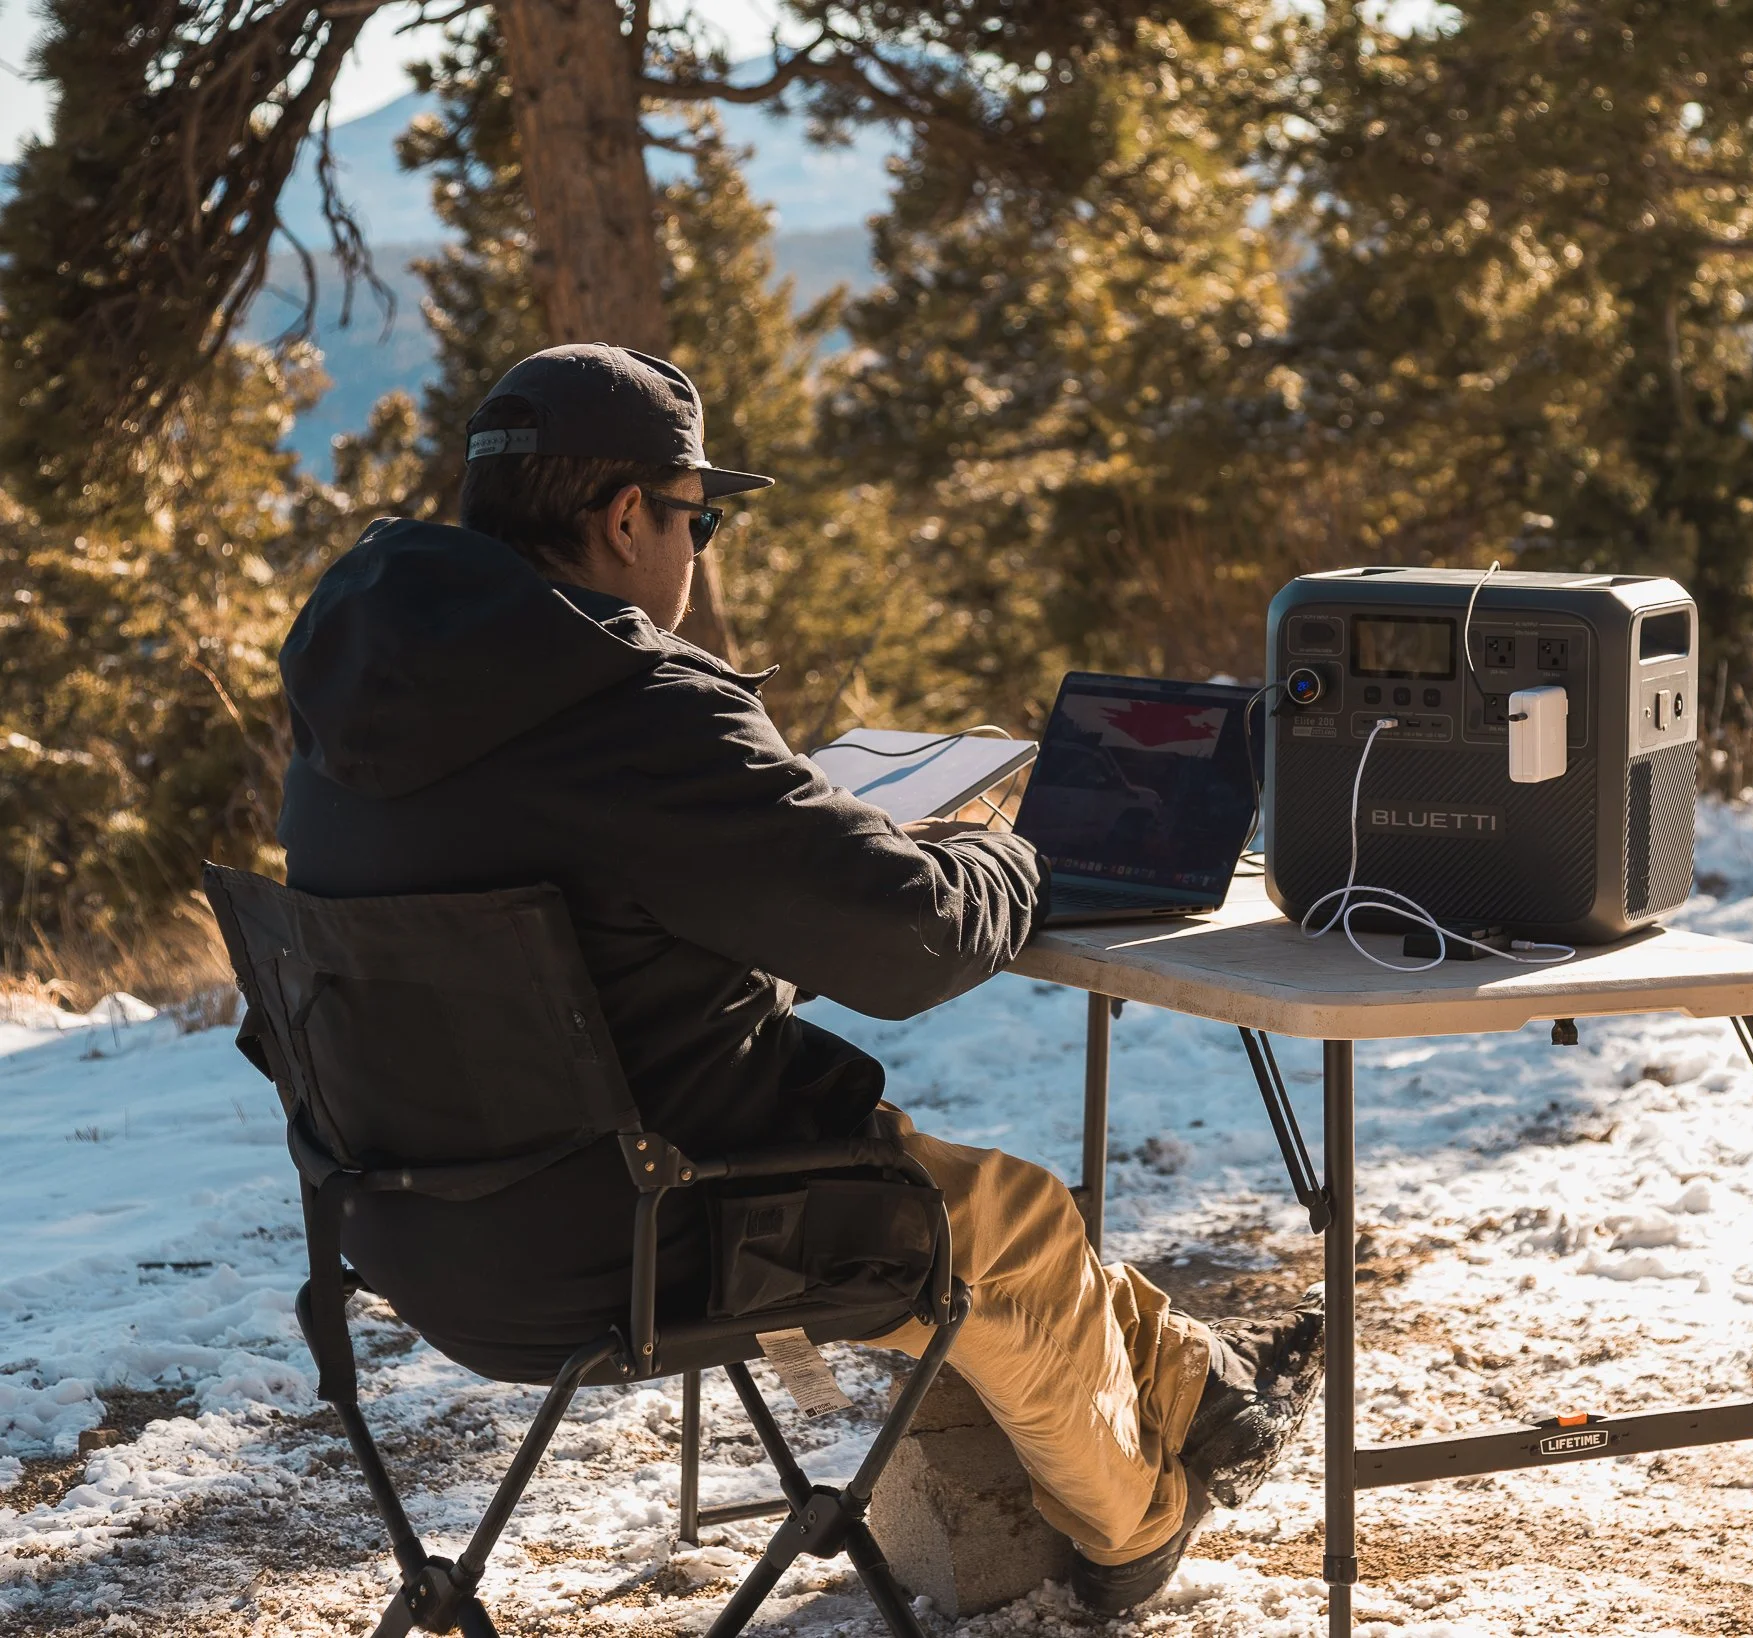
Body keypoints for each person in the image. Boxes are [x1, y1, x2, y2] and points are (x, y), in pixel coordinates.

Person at [275, 343, 1324, 1612]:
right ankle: (1135, 1529)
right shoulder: (634, 702)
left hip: (412, 1228)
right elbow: (906, 945)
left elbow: (581, 932)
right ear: (623, 517)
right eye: (697, 518)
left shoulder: (354, 699)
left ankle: (1196, 1386)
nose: (698, 548)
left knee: (964, 1203)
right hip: (650, 1233)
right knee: (1014, 1224)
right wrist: (1014, 857)